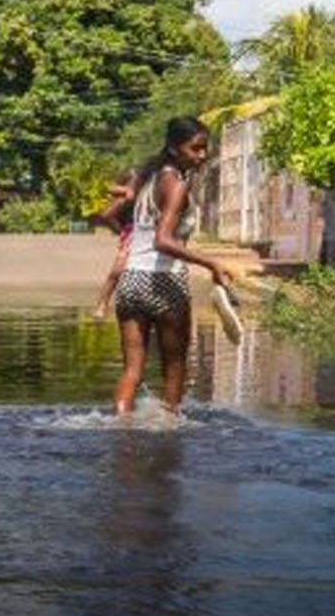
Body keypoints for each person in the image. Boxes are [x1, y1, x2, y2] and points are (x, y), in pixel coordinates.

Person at [99, 116, 236, 415]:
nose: (202, 155)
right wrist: (211, 262)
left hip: (131, 281)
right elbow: (163, 240)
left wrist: (130, 244)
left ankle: (120, 432)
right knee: (174, 368)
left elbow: (113, 217)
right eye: (195, 149)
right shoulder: (176, 185)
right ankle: (171, 432)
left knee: (132, 371)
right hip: (165, 283)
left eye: (204, 148)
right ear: (175, 149)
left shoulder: (148, 178)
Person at [91, 172, 137, 320]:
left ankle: (104, 305)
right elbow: (106, 215)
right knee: (118, 270)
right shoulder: (125, 197)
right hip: (132, 231)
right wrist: (121, 230)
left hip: (147, 230)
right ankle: (102, 304)